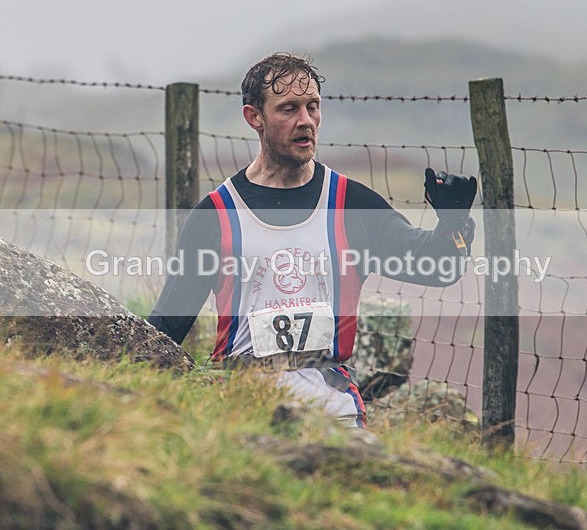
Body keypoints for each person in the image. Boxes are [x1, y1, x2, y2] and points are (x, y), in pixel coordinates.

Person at [149, 52, 477, 428]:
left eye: (312, 107)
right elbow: (165, 328)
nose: (305, 121)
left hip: (334, 408)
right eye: (288, 109)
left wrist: (454, 222)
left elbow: (437, 268)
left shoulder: (351, 204)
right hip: (240, 403)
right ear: (254, 117)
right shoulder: (216, 215)